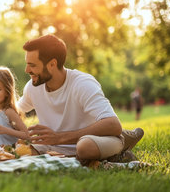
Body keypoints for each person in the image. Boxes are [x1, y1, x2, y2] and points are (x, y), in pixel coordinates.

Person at [17, 34, 144, 164]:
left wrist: (59, 138)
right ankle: (118, 146)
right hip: (55, 147)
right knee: (20, 151)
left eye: (32, 65)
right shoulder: (33, 87)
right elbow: (16, 110)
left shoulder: (82, 83)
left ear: (52, 64)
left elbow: (113, 124)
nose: (27, 70)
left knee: (84, 148)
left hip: (91, 141)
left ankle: (123, 144)